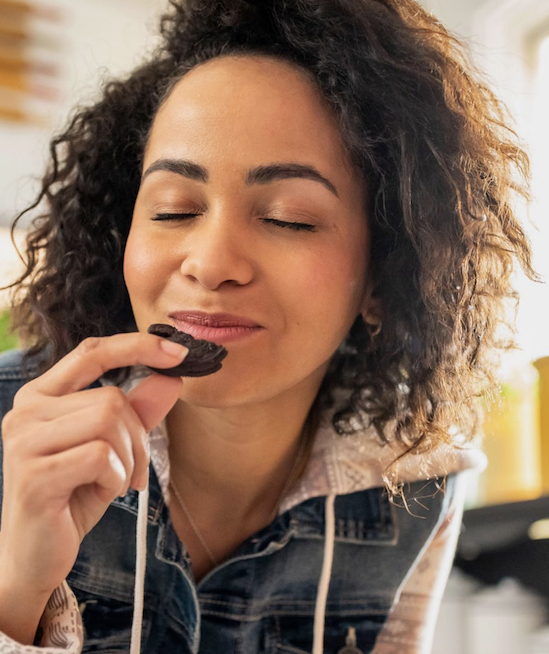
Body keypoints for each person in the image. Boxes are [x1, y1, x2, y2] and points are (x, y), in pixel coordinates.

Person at [0, 0, 535, 652]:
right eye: (172, 209)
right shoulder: (18, 434)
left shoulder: (414, 484)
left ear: (383, 275)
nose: (211, 263)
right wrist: (19, 588)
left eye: (287, 217)